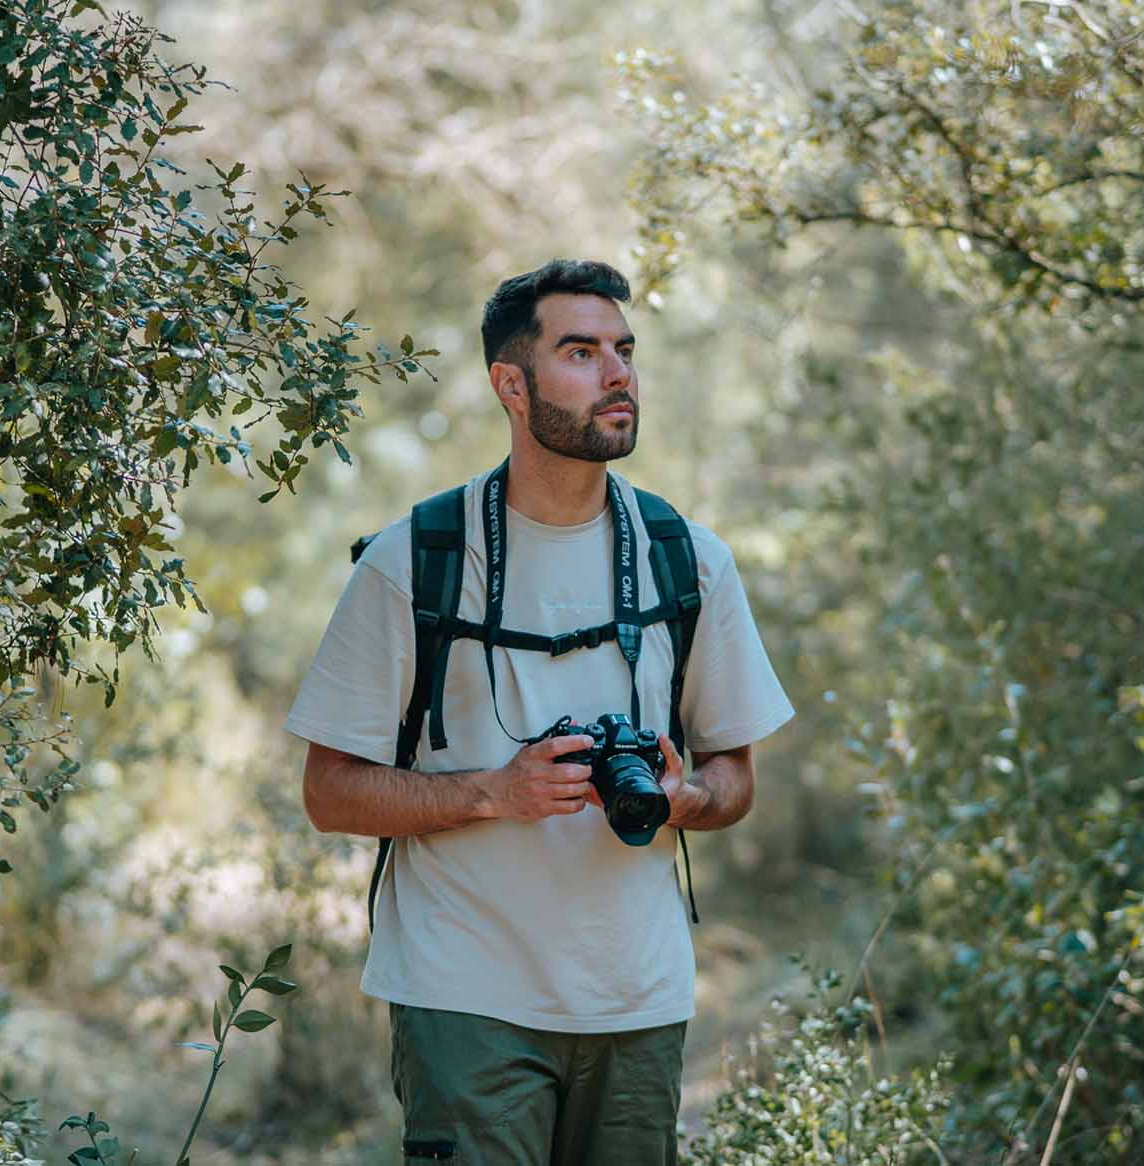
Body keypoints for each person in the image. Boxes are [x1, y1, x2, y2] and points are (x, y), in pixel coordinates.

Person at [285, 258, 794, 1164]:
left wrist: (687, 800)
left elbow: (735, 779)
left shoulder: (688, 560)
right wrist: (493, 793)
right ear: (509, 384)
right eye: (582, 351)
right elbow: (330, 794)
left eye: (625, 351)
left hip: (638, 1001)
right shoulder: (413, 562)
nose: (618, 375)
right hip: (465, 994)